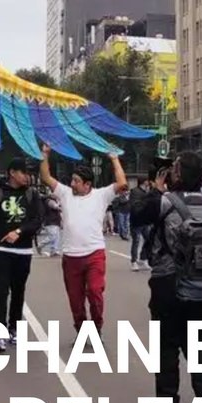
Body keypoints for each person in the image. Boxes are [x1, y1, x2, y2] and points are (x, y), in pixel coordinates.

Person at [147, 151, 202, 403]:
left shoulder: (165, 202)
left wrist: (157, 187)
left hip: (168, 282)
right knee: (194, 341)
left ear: (177, 174)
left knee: (166, 344)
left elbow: (138, 213)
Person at [39, 143, 127, 337]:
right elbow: (45, 177)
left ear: (87, 184)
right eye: (72, 180)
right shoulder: (64, 193)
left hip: (94, 254)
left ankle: (96, 328)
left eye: (76, 181)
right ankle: (81, 330)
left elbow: (121, 184)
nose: (72, 184)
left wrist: (114, 159)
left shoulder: (101, 195)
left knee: (95, 292)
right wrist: (45, 154)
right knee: (75, 300)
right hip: (71, 257)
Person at [0, 158, 43, 353]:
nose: (27, 176)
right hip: (0, 249)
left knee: (18, 290)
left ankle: (14, 328)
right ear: (13, 173)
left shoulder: (32, 194)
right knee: (1, 290)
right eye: (24, 172)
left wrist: (19, 231)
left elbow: (37, 220)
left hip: (23, 250)